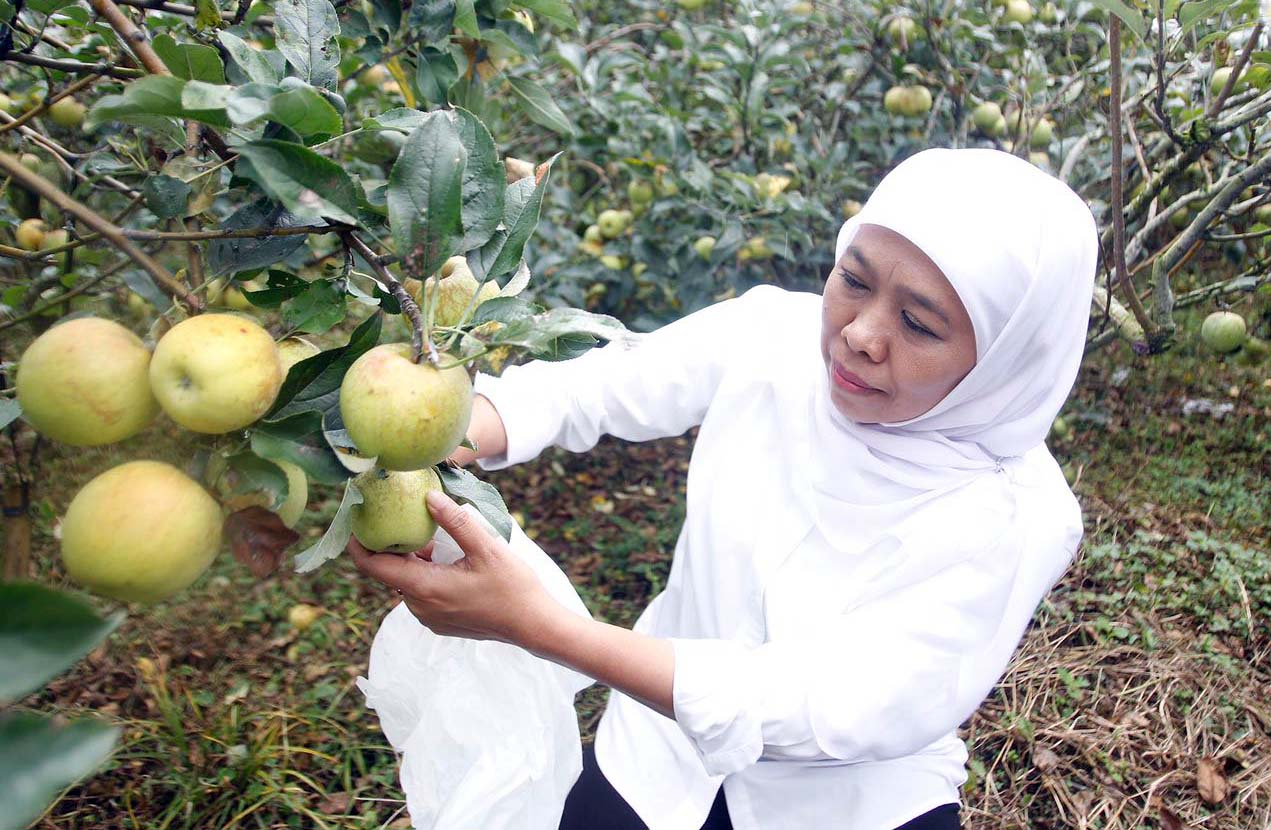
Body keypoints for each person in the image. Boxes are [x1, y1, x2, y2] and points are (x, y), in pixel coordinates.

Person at [348, 147, 1099, 830]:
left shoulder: (1015, 518)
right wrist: (439, 428)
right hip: (654, 758)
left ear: (1008, 360)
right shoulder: (775, 336)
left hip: (843, 808)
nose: (860, 335)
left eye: (919, 325)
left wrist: (539, 627)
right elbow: (607, 384)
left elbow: (828, 705)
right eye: (853, 280)